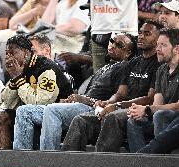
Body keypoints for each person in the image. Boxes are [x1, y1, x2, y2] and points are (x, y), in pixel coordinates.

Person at [13, 33, 136, 150]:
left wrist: (86, 100)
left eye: (119, 45)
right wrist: (71, 99)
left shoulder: (124, 67)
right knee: (24, 111)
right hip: (81, 105)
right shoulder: (105, 67)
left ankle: (48, 159)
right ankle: (21, 160)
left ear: (128, 53)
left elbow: (118, 97)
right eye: (112, 41)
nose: (113, 45)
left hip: (94, 109)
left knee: (52, 110)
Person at [61, 21, 163, 152]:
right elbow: (120, 93)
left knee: (112, 117)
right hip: (121, 107)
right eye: (140, 33)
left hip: (140, 111)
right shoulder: (133, 63)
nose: (141, 36)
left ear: (158, 39)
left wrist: (117, 106)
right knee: (81, 120)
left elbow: (150, 98)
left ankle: (101, 165)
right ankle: (66, 165)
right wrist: (107, 103)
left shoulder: (158, 64)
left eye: (147, 33)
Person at [127, 28, 179, 153]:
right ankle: (144, 165)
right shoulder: (161, 70)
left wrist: (147, 109)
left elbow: (177, 106)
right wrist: (141, 111)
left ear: (177, 49)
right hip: (163, 116)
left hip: (175, 118)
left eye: (163, 45)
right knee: (133, 121)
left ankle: (156, 162)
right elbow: (158, 104)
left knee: (161, 115)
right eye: (157, 45)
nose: (157, 49)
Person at [89, 0, 138, 72]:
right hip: (100, 30)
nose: (88, 14)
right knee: (99, 77)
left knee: (124, 74)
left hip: (125, 28)